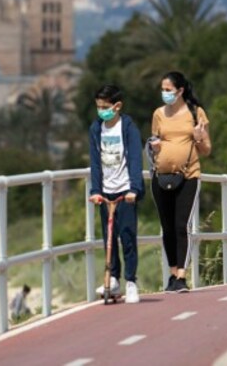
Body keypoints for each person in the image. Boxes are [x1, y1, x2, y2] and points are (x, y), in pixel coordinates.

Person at [148, 71, 211, 293]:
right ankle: (172, 274)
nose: (164, 94)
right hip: (160, 176)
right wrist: (154, 147)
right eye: (162, 90)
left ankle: (182, 276)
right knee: (167, 228)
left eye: (168, 90)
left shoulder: (196, 113)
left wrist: (197, 137)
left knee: (181, 225)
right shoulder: (158, 114)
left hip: (188, 175)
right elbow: (153, 142)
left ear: (180, 91)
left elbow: (206, 150)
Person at [88, 84, 145, 304]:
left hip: (125, 191)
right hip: (105, 192)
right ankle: (112, 278)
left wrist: (134, 189)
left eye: (105, 107)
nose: (101, 111)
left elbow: (135, 160)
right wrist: (95, 190)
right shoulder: (96, 129)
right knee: (109, 238)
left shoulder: (128, 128)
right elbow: (95, 162)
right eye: (98, 107)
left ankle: (131, 281)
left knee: (127, 237)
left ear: (117, 106)